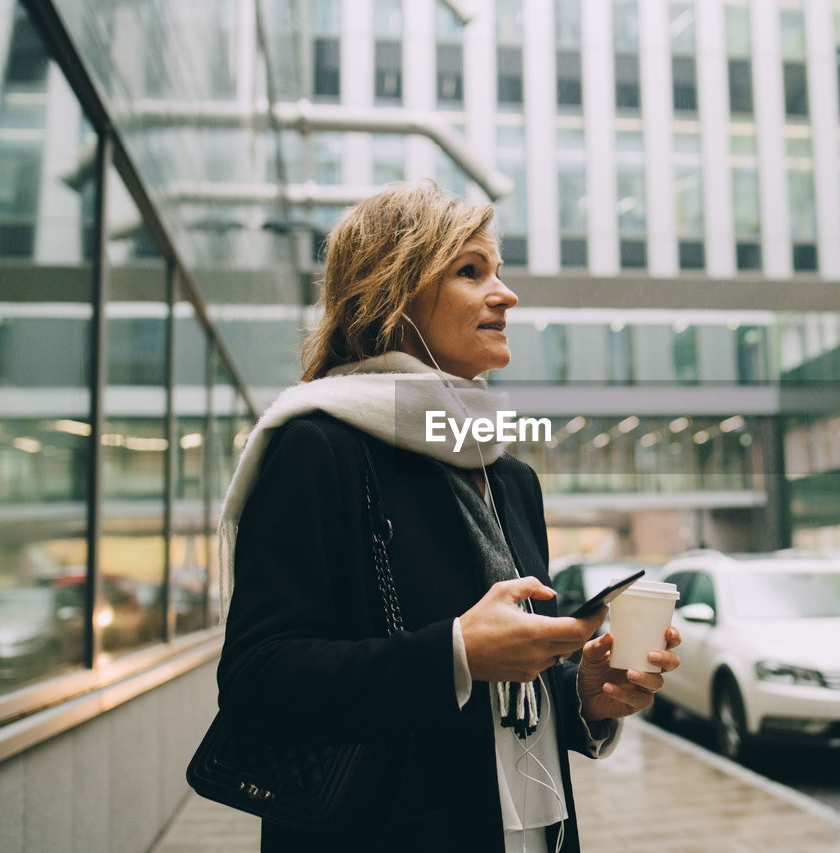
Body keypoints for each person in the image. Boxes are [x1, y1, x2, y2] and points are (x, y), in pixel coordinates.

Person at [216, 181, 681, 852]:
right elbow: (259, 682)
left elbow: (514, 685)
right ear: (393, 296)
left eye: (498, 269)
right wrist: (456, 652)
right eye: (471, 271)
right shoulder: (319, 447)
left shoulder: (510, 476)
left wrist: (584, 695)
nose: (506, 293)